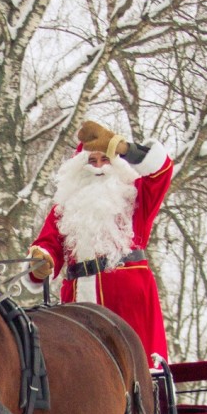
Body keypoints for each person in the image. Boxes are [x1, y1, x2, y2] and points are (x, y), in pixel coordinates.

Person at [26, 120, 173, 363]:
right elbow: (48, 245)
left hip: (128, 303)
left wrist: (121, 146)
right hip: (77, 304)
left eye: (105, 159)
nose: (98, 167)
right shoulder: (65, 206)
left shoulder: (136, 196)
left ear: (117, 164)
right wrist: (41, 262)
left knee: (136, 371)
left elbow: (162, 170)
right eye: (91, 161)